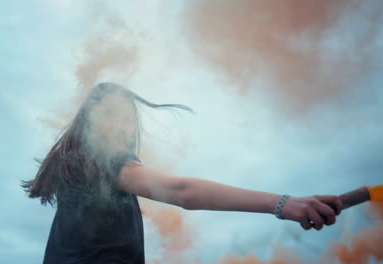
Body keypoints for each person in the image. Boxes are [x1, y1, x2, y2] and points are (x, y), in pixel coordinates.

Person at [21, 82, 343, 264]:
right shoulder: (103, 159)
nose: (120, 126)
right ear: (92, 121)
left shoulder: (73, 170)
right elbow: (181, 191)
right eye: (112, 115)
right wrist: (283, 203)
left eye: (124, 118)